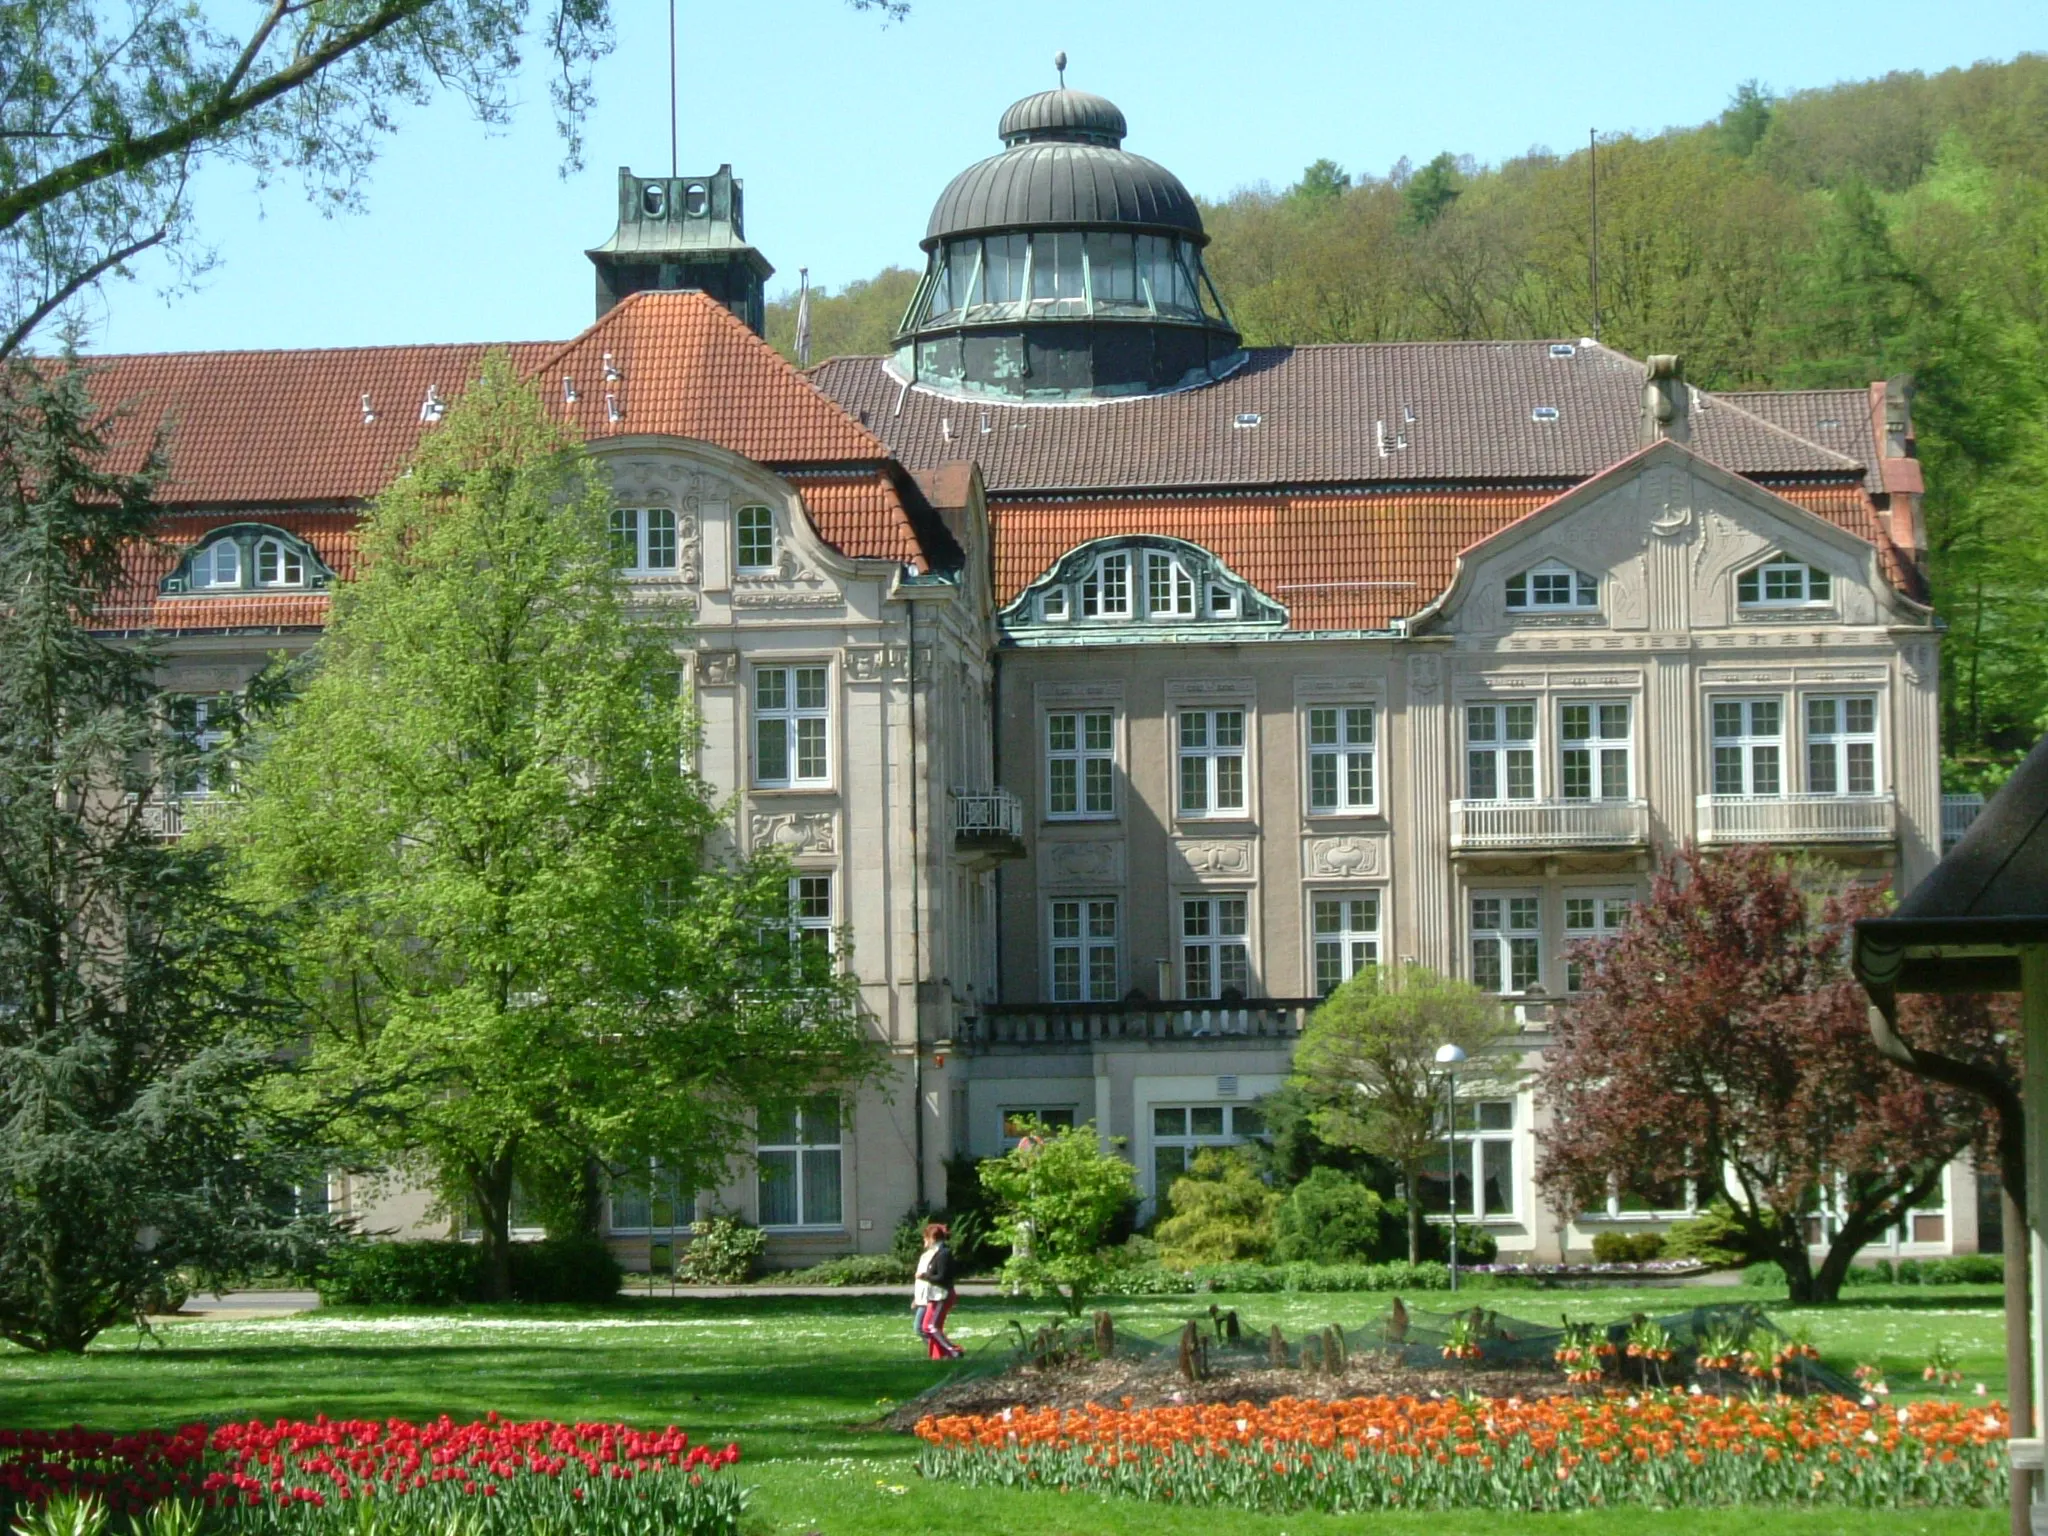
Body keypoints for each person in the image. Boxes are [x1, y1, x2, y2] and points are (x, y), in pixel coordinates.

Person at [913, 1221, 963, 1360]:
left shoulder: (943, 1254)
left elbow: (942, 1276)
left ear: (932, 1238)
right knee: (926, 1327)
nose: (924, 1241)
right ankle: (940, 1354)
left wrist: (924, 1276)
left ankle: (953, 1351)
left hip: (942, 1295)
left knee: (931, 1326)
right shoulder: (936, 1253)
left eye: (926, 1238)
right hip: (935, 1295)